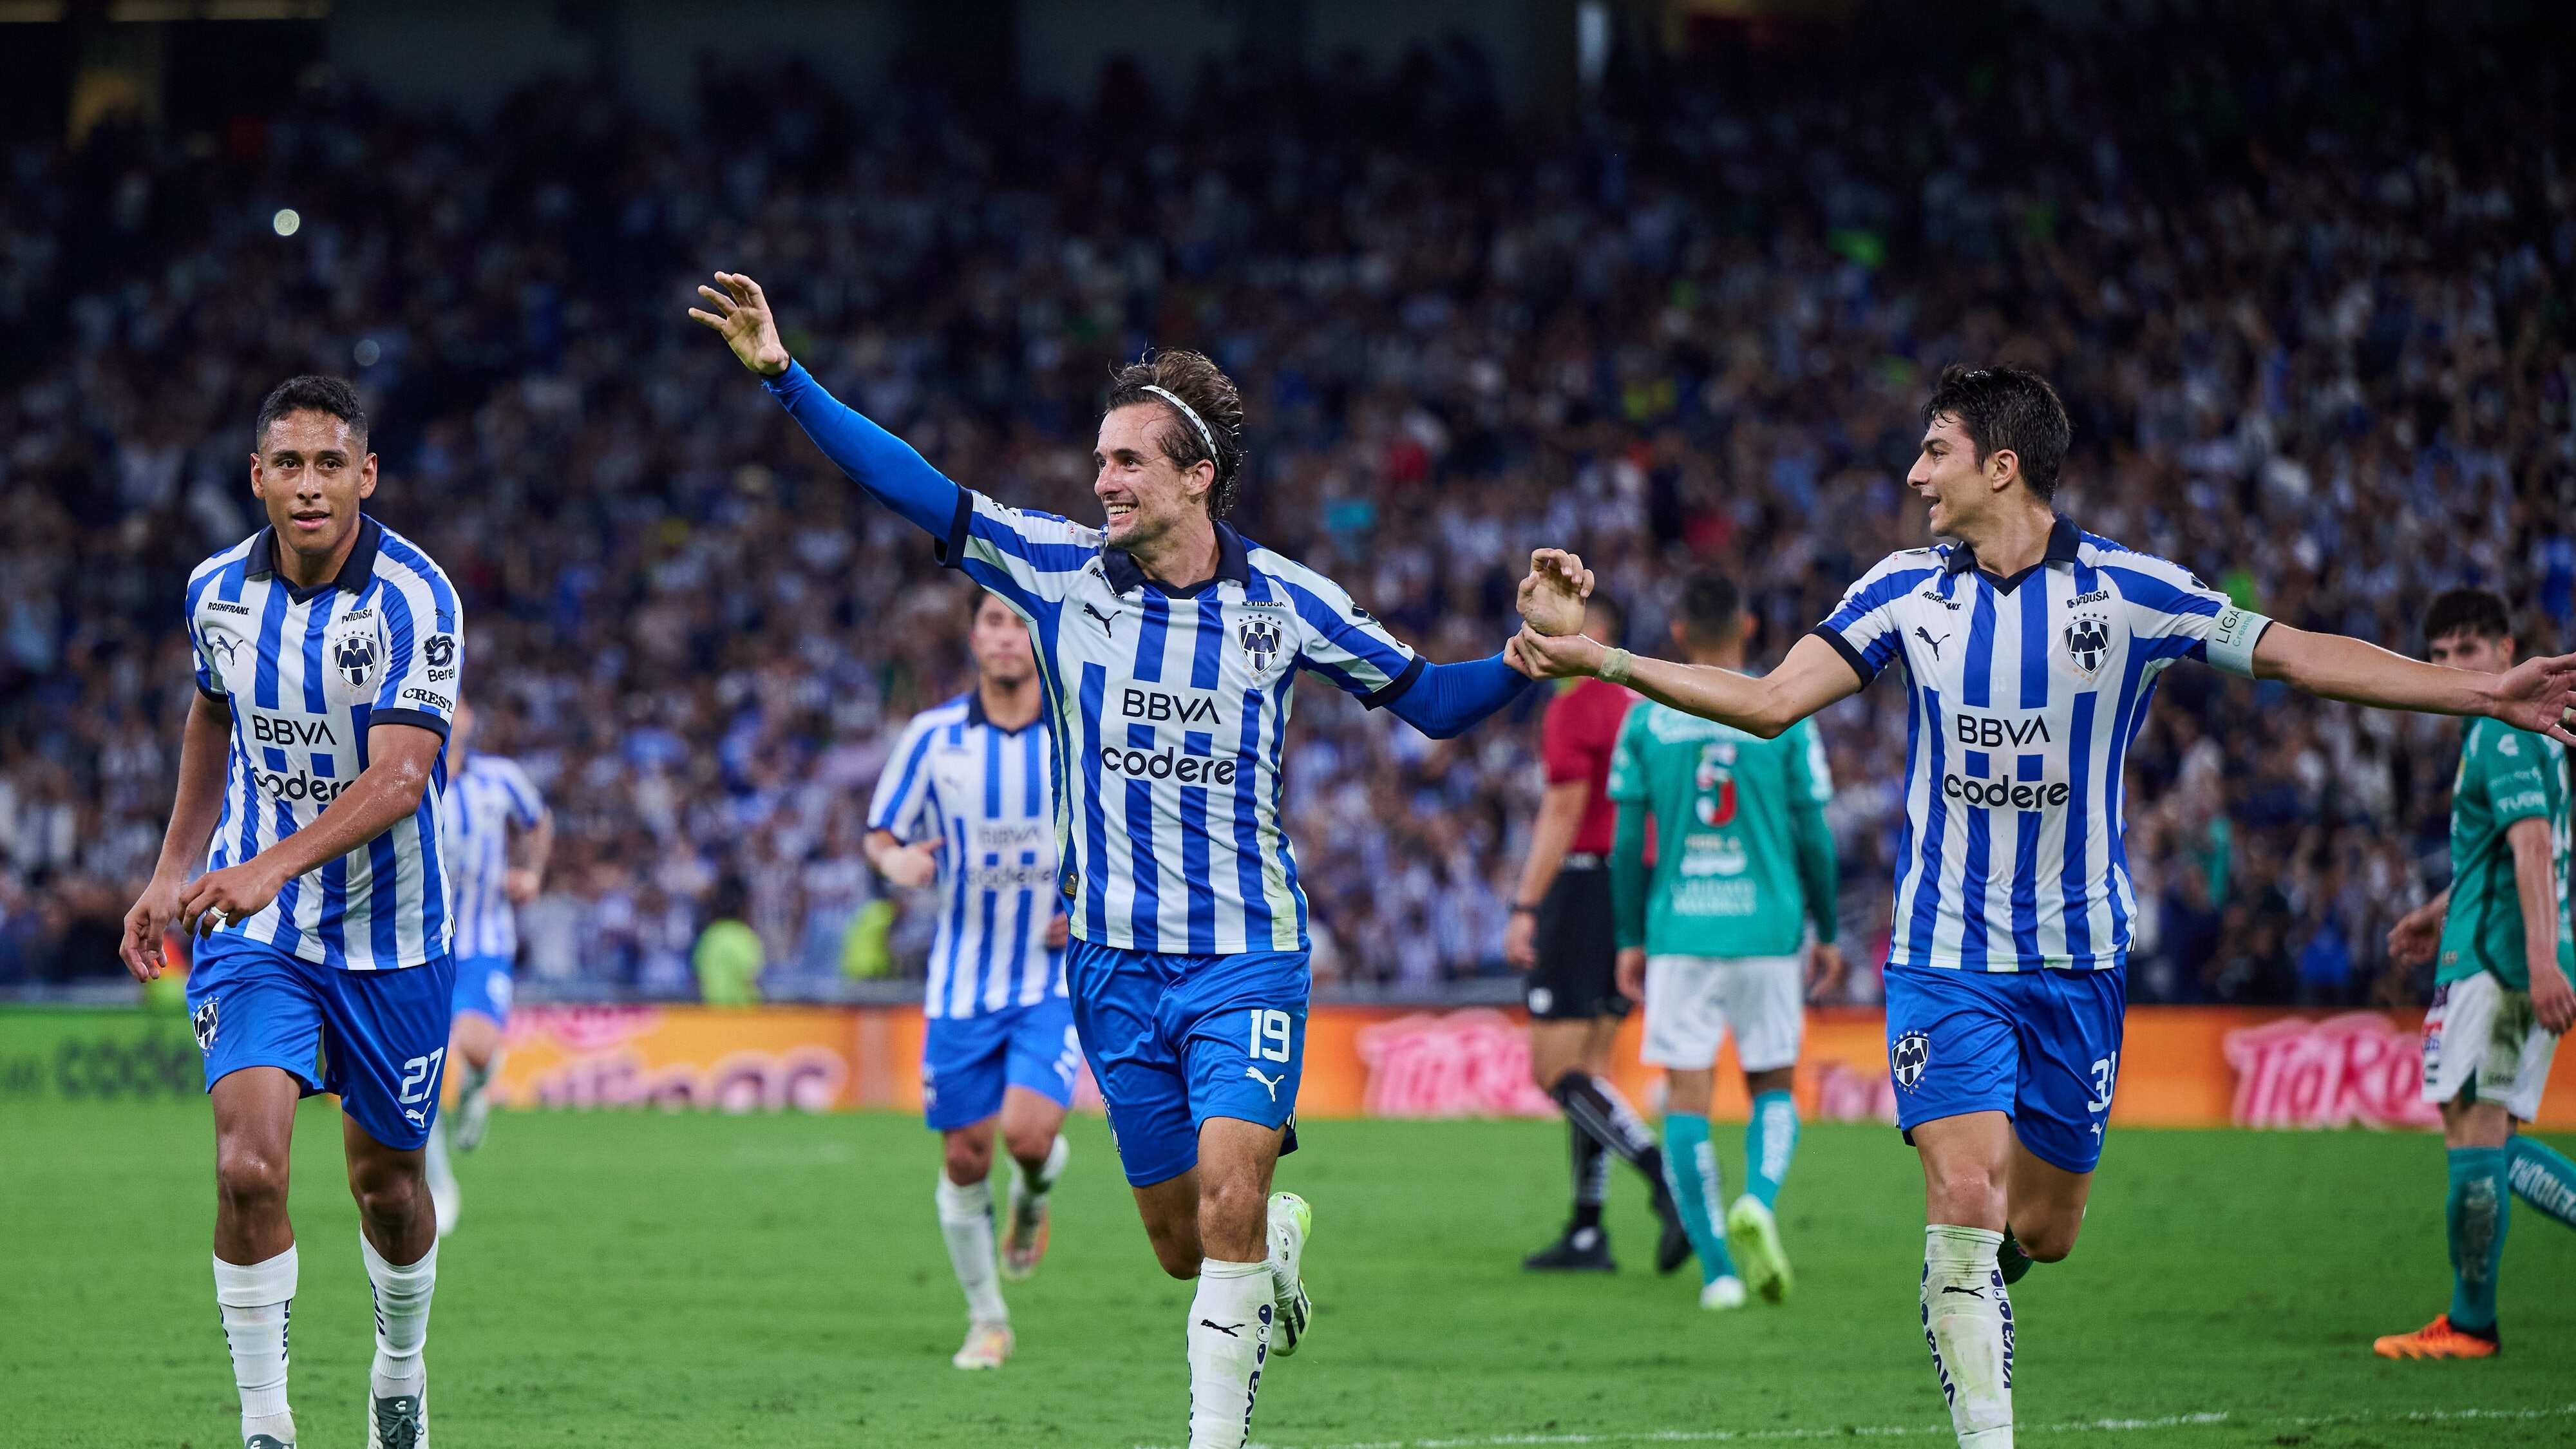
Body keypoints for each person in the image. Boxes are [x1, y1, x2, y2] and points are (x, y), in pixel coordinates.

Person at [1508, 364, 2576, 1449]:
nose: (1917, 472)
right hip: (1944, 955)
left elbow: (2296, 655)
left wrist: (2480, 691)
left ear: (2002, 466)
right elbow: (1774, 701)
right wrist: (1601, 657)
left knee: (2047, 1230)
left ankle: (1982, 1281)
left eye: (1938, 450)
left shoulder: (2127, 592)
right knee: (1964, 1197)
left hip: (2078, 962)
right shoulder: (1903, 592)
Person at [692, 270, 1540, 1449]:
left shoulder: (1287, 603)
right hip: (1112, 966)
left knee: (1231, 1193)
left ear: (1197, 477)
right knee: (1185, 1246)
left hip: (1248, 956)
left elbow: (1436, 704)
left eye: (1128, 463)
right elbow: (915, 489)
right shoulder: (1054, 575)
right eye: (1099, 461)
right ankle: (1271, 1246)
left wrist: (1528, 657)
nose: (1101, 483)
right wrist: (788, 380)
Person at [118, 375, 463, 1449]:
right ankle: (266, 1422)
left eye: (330, 465)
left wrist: (267, 862)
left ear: (366, 476)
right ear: (257, 478)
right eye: (289, 465)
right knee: (247, 1167)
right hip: (259, 935)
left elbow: (402, 778)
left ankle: (398, 1372)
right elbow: (210, 720)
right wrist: (174, 868)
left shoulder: (418, 597)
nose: (309, 486)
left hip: (396, 936)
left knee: (391, 1189)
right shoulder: (215, 593)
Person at [1605, 571, 1845, 1310]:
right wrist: (1827, 929)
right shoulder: (1786, 712)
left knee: (1686, 1096)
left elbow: (1625, 844)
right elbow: (1813, 832)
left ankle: (1715, 1274)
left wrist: (1627, 935)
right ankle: (1761, 1203)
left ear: (1677, 635)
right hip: (1768, 927)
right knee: (1773, 1080)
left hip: (1680, 927)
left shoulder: (1647, 717)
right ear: (1746, 630)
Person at [866, 589, 1080, 1370]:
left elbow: (1124, 831)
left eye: (1022, 621)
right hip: (961, 982)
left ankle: (1036, 1189)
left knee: (1027, 1135)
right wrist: (900, 860)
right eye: (994, 619)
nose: (1008, 636)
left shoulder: (1078, 729)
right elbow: (882, 832)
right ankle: (988, 1319)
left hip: (1053, 978)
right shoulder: (933, 738)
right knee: (965, 1158)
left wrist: (1087, 902)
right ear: (973, 635)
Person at [2371, 589, 2576, 1359]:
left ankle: (2471, 1323)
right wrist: (2434, 908)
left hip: (2500, 956)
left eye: (2469, 650)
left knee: (2478, 1135)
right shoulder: (2514, 733)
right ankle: (2468, 1320)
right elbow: (2498, 851)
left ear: (2506, 649)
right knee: (2481, 1140)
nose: (2452, 665)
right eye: (2440, 653)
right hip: (2486, 942)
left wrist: (2542, 958)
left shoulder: (2501, 732)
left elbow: (2529, 846)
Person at [1505, 593, 1691, 1277]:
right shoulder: (1641, 706)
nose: (1535, 638)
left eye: (1548, 625)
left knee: (1555, 1070)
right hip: (1636, 884)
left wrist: (1526, 906)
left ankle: (1667, 1181)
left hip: (1585, 884)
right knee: (1593, 1075)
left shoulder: (1577, 705)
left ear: (1594, 633)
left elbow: (1563, 807)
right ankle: (1587, 1232)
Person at [422, 697, 551, 1237]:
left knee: (475, 1048)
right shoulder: (405, 776)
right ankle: (438, 1188)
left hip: (483, 941)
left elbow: (538, 821)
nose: (457, 715)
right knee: (421, 1077)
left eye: (464, 707)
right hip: (420, 946)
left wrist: (531, 873)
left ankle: (477, 1087)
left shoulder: (501, 779)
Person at [693, 876, 764, 1006]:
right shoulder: (744, 937)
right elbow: (751, 977)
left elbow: (699, 977)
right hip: (741, 1014)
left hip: (712, 1013)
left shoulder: (709, 937)